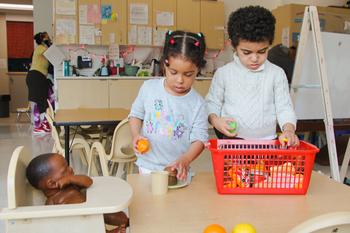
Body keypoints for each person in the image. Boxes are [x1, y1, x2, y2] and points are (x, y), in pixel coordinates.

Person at [206, 6, 299, 147]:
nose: (255, 58)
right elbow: (212, 103)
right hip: (232, 141)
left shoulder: (276, 73)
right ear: (233, 45)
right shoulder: (224, 73)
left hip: (268, 142)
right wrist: (215, 120)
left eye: (262, 51)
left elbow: (284, 107)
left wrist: (289, 130)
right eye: (247, 52)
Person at [129, 30, 208, 180]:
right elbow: (135, 115)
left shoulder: (198, 103)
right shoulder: (149, 88)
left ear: (198, 69)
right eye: (173, 72)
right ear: (165, 64)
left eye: (188, 74)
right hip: (147, 165)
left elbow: (200, 139)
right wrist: (136, 135)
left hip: (178, 169)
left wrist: (186, 159)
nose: (180, 80)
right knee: (149, 201)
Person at [26, 153, 129, 233]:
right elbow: (63, 226)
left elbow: (88, 181)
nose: (70, 169)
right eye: (65, 170)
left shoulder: (70, 184)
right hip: (83, 226)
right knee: (88, 227)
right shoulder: (53, 204)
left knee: (120, 217)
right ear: (52, 183)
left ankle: (126, 221)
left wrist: (71, 179)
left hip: (93, 211)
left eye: (68, 166)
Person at [26, 32, 55, 134]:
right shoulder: (40, 48)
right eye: (47, 37)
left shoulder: (43, 49)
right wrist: (50, 44)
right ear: (43, 39)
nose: (49, 39)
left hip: (38, 77)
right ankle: (45, 125)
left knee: (43, 100)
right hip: (36, 77)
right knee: (42, 101)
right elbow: (52, 54)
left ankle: (44, 124)